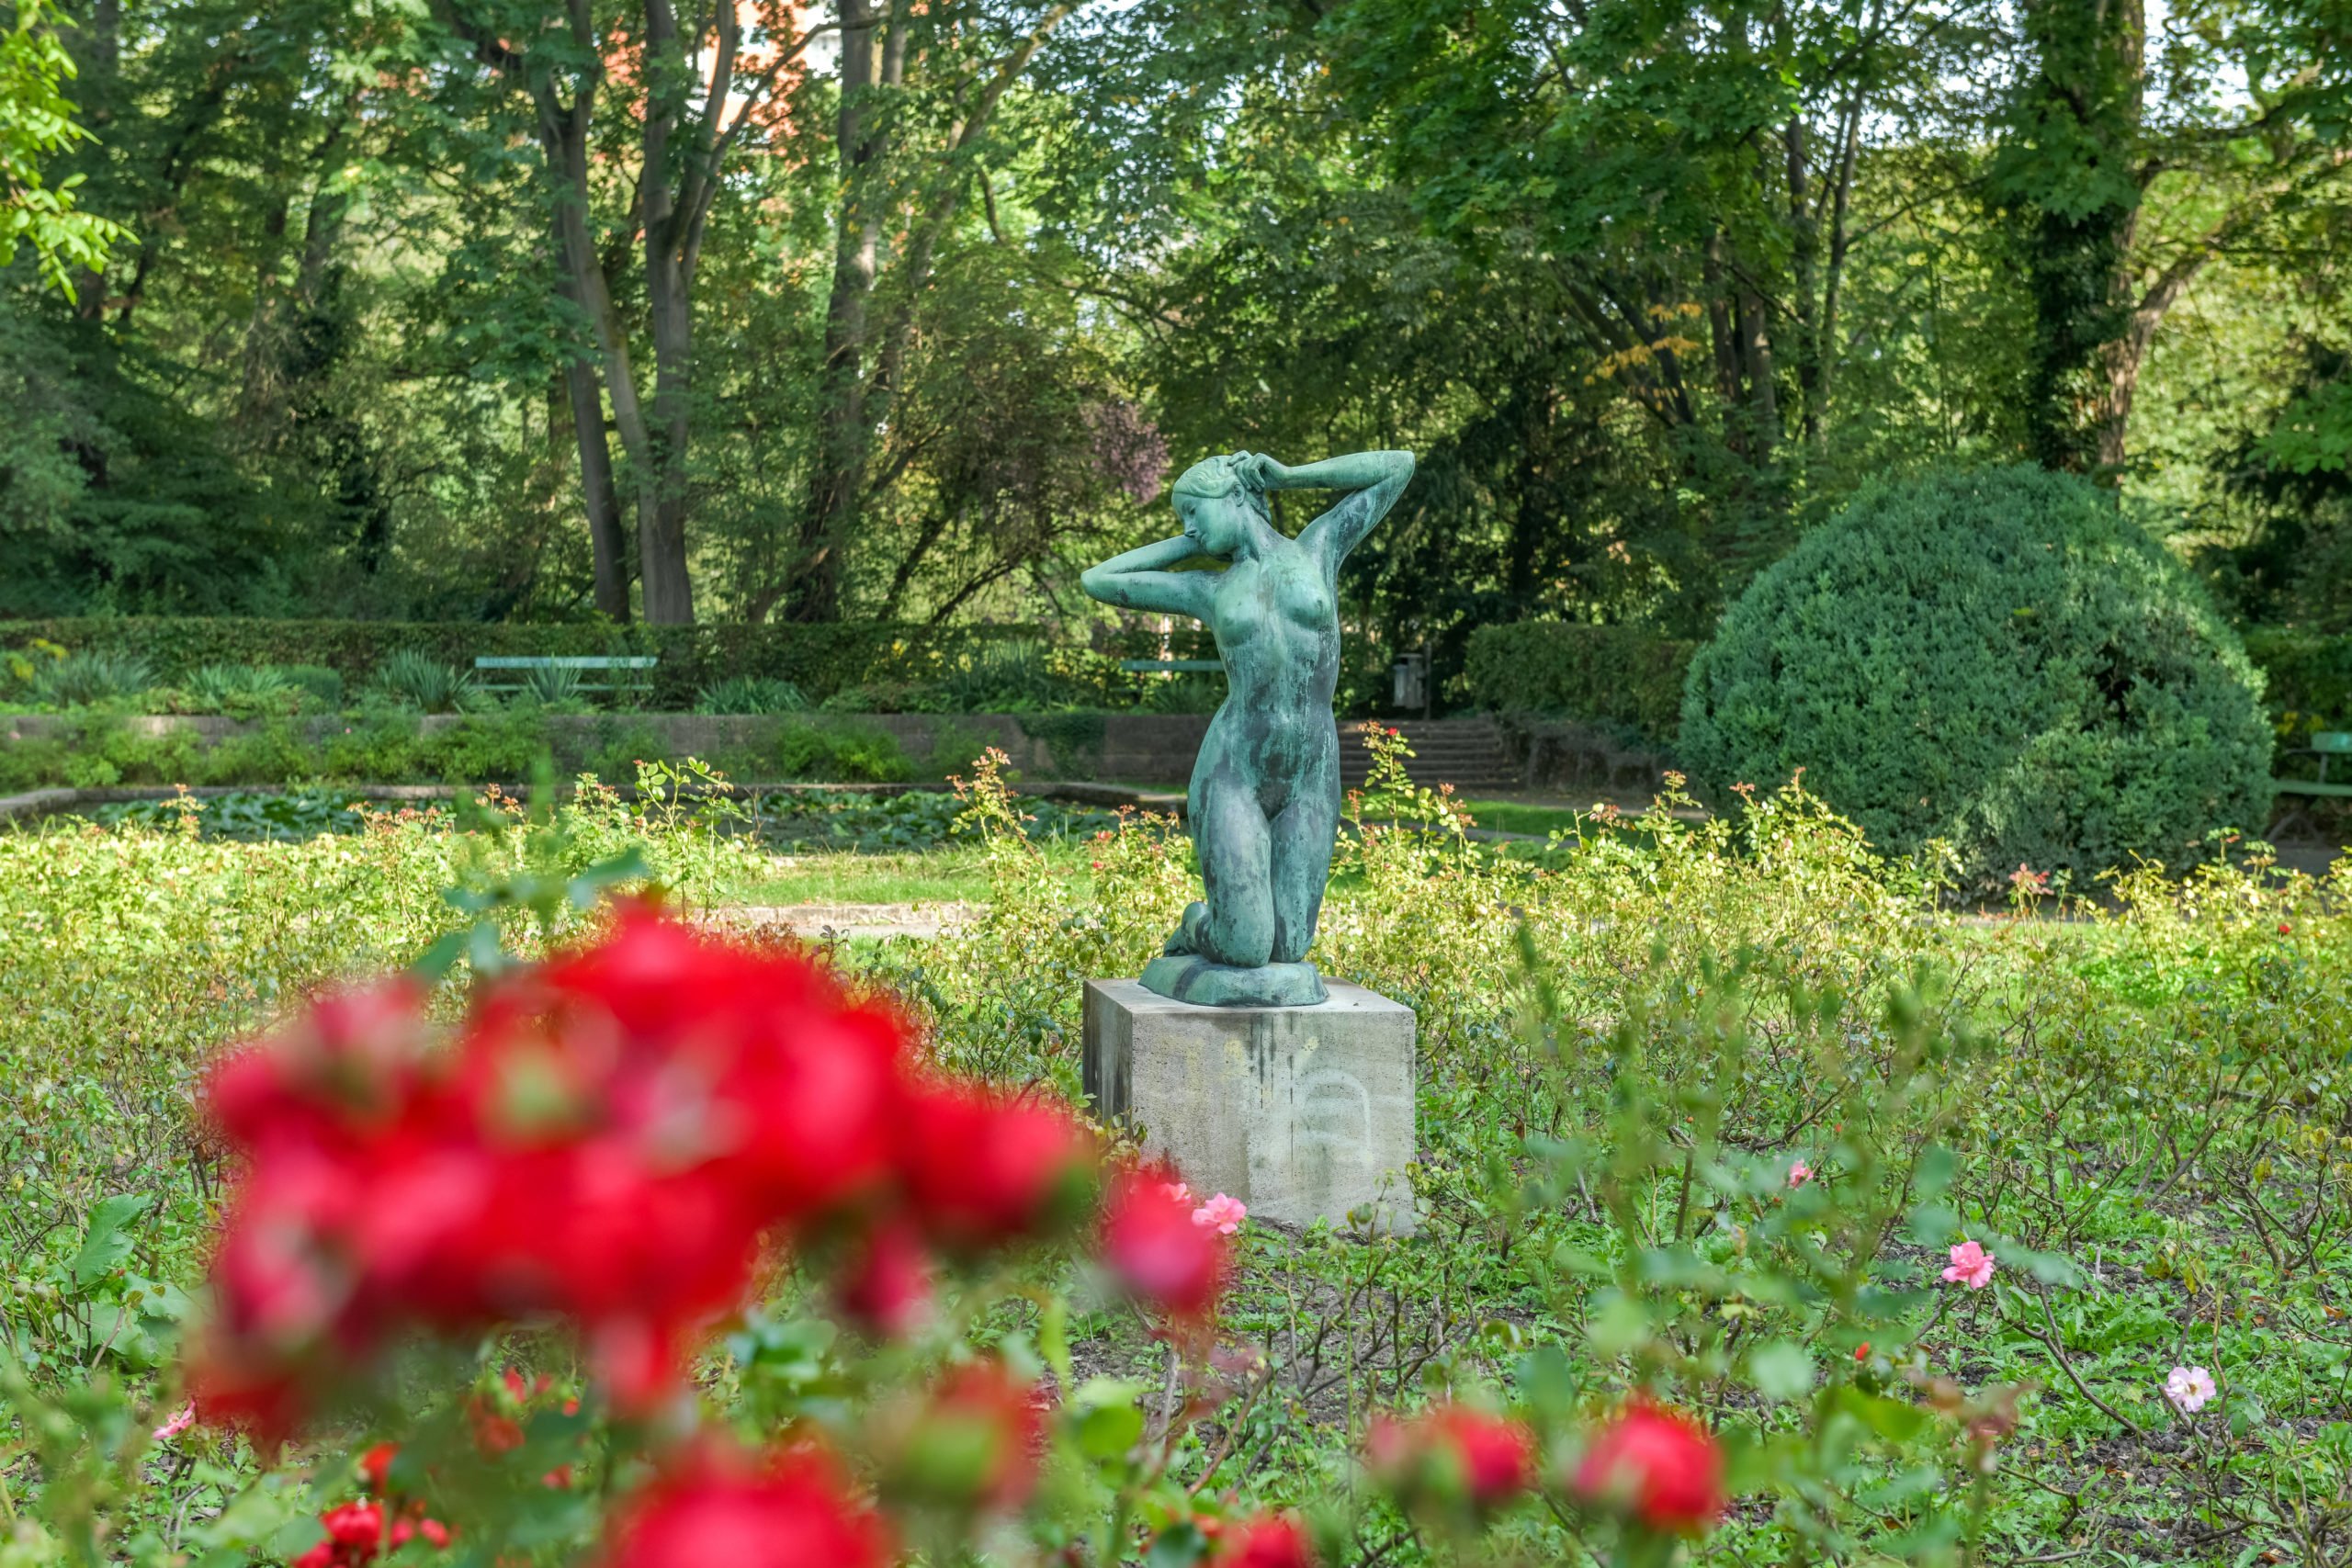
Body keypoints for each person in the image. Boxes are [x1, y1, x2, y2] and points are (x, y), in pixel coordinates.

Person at [1080, 448, 1415, 1004]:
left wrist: (1289, 477)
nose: (1187, 525)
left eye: (1193, 511)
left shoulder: (1319, 549)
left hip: (1311, 769)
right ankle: (1197, 925)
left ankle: (1212, 924)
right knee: (1244, 944)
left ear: (1234, 497)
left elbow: (1398, 467)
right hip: (1234, 771)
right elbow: (1098, 579)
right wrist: (1192, 543)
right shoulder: (1207, 590)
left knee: (1288, 946)